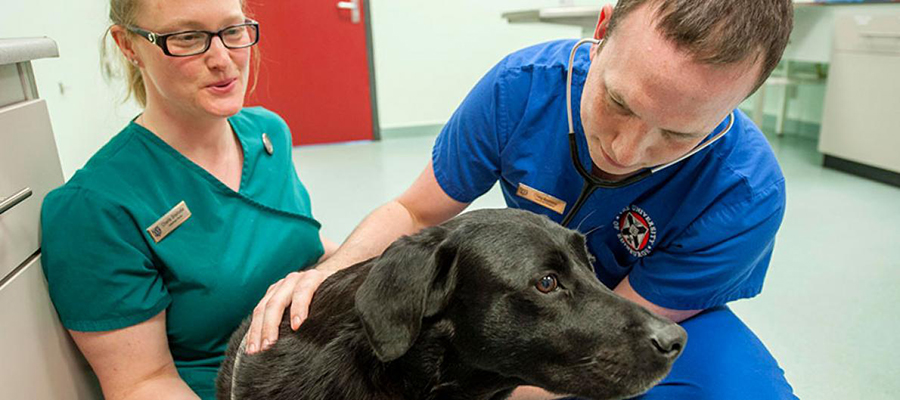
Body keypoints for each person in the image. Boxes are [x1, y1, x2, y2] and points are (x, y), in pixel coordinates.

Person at [246, 0, 798, 399]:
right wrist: (329, 272)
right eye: (618, 102)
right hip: (523, 289)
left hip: (646, 308)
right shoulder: (522, 88)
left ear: (740, 100)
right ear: (602, 28)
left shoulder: (744, 192)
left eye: (678, 133)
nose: (627, 151)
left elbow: (620, 335)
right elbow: (415, 212)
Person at [39, 0, 337, 398]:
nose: (222, 59)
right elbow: (143, 383)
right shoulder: (94, 207)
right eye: (188, 38)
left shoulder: (268, 134)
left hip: (332, 366)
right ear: (128, 45)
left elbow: (308, 253)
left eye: (233, 31)